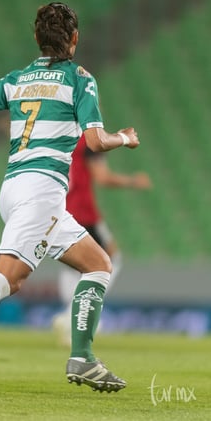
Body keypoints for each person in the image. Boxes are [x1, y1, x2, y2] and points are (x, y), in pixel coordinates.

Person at [0, 2, 141, 395]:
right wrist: (125, 137)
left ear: (36, 38)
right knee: (8, 277)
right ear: (74, 39)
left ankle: (82, 356)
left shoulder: (18, 79)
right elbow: (95, 141)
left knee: (98, 264)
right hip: (42, 193)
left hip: (17, 187)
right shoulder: (80, 79)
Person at [53, 135, 152, 345]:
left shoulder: (61, 137)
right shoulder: (90, 141)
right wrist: (134, 181)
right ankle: (74, 315)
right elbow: (102, 177)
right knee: (110, 261)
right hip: (84, 213)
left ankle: (69, 315)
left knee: (75, 267)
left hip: (61, 211)